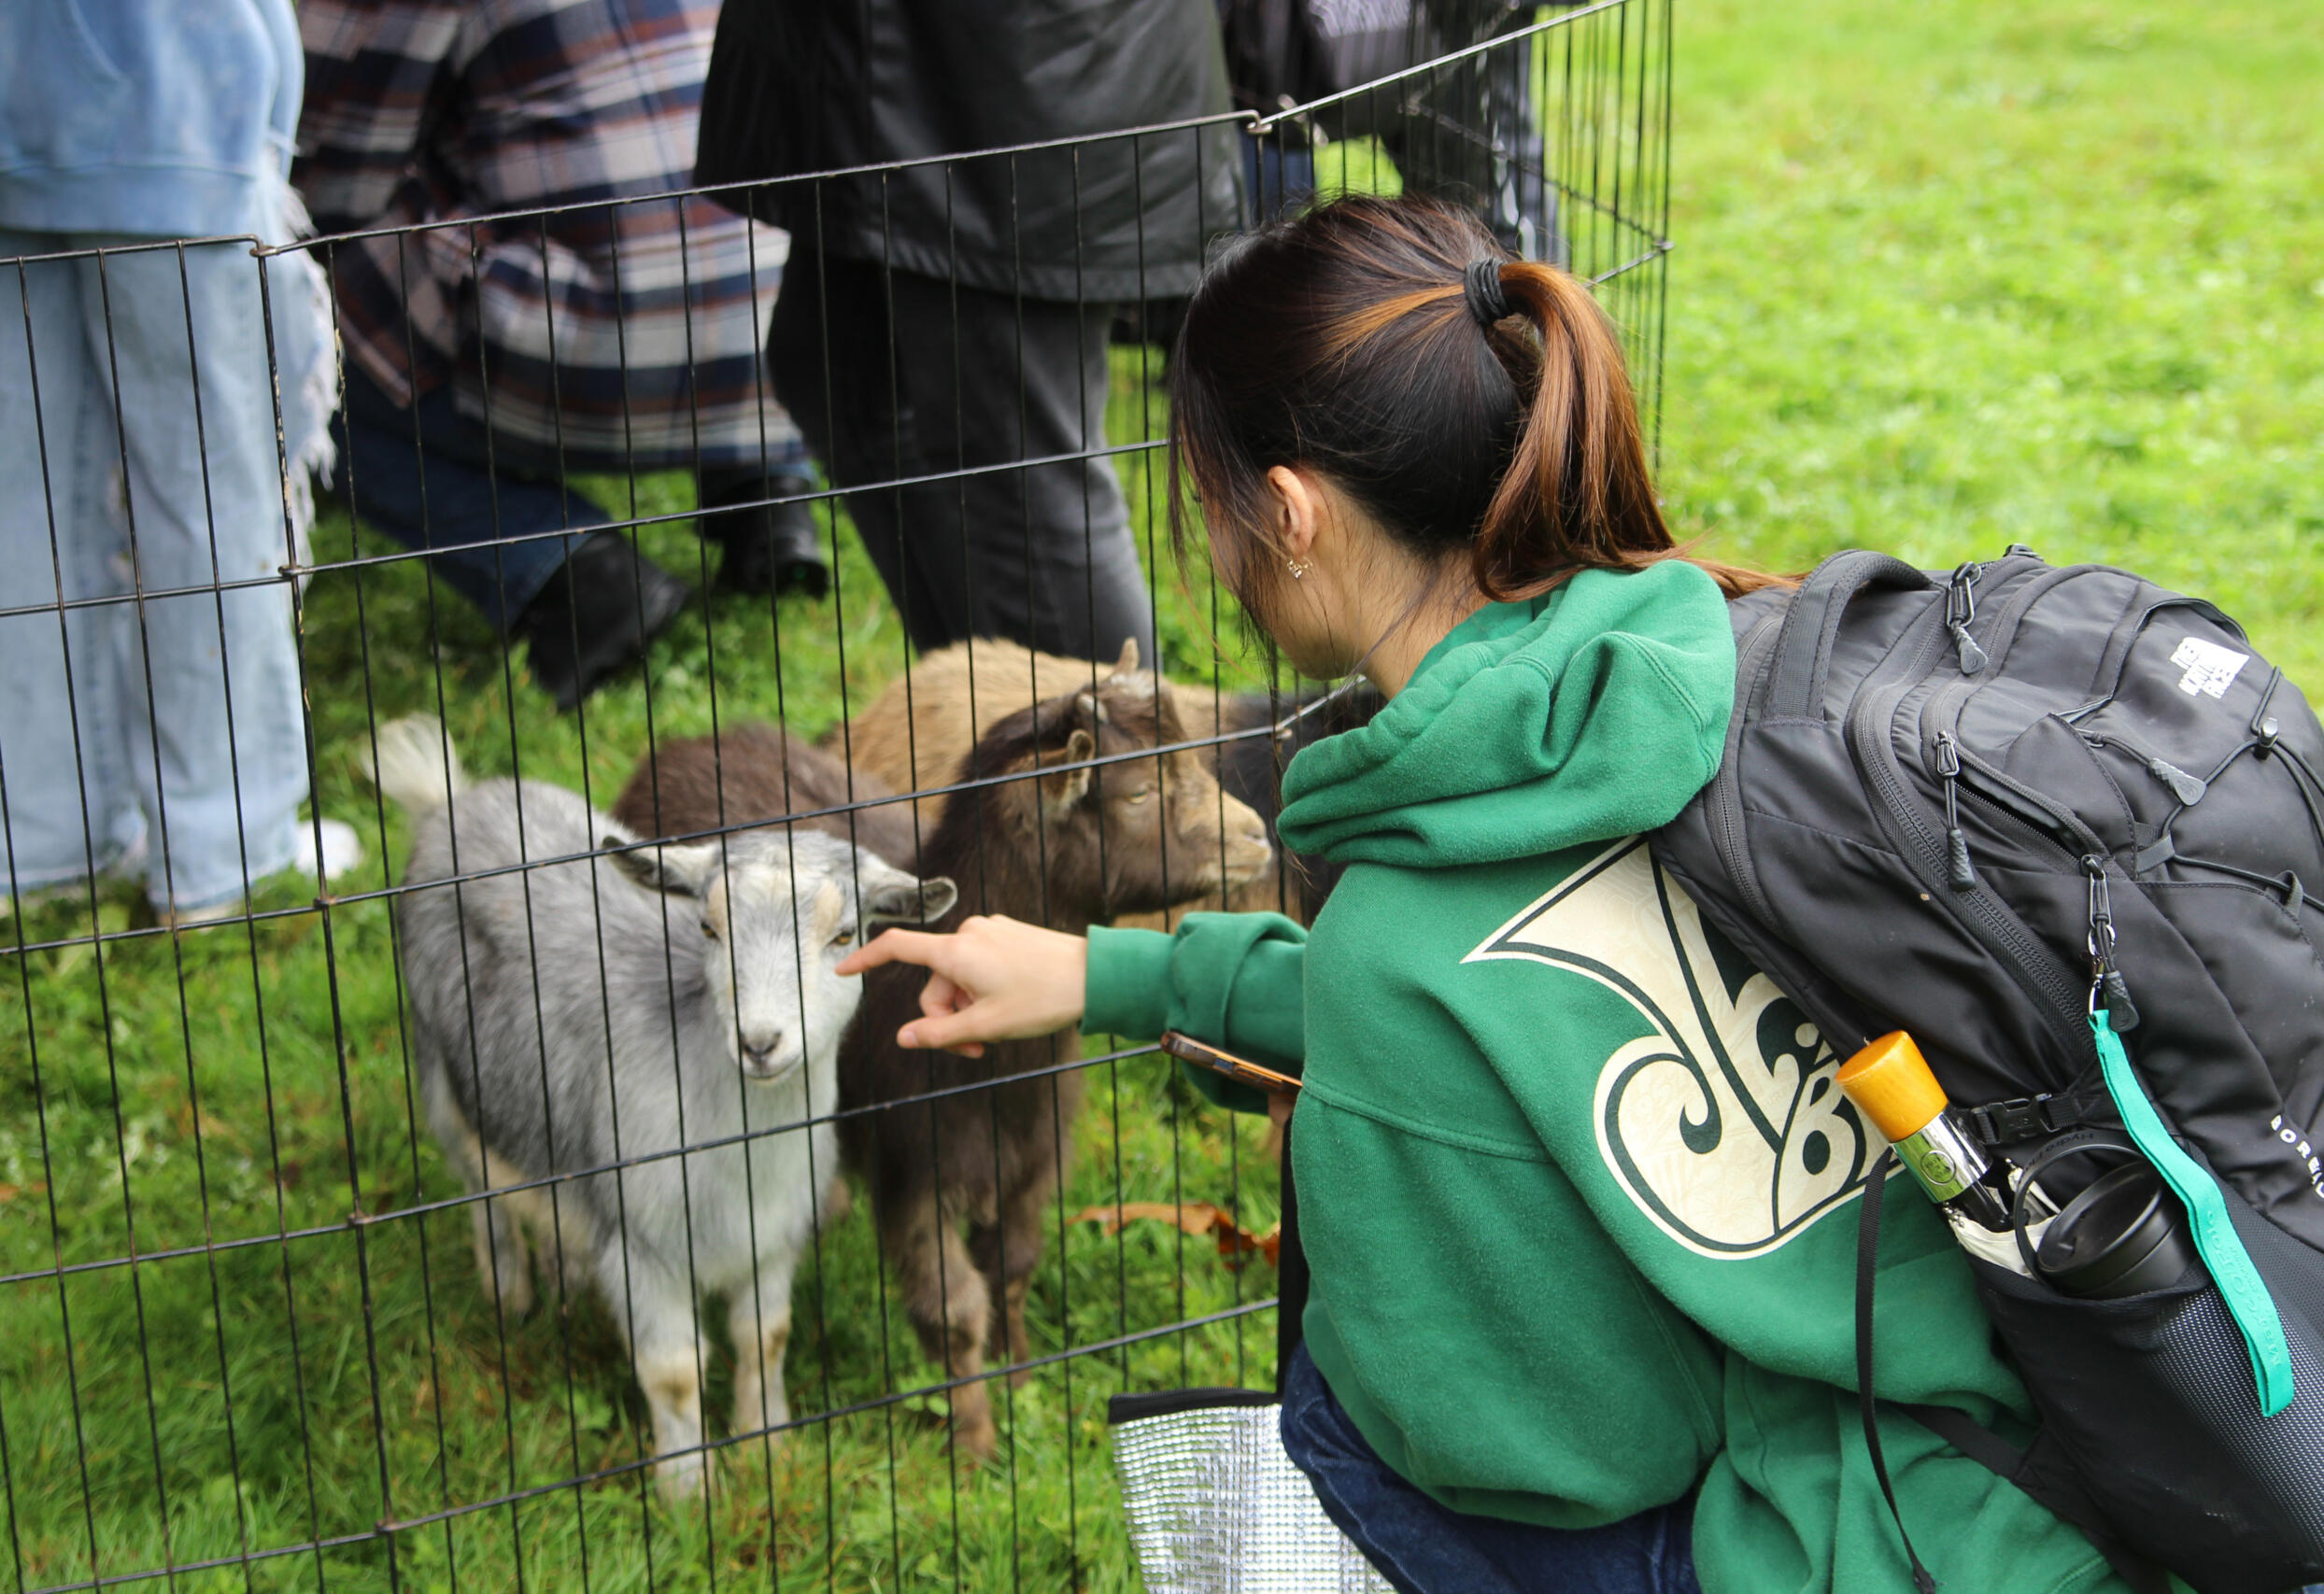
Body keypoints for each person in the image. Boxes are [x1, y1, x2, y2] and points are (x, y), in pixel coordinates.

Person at [837, 196, 2139, 1594]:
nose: (1207, 549)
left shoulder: (1397, 944)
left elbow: (1550, 1457)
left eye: (1204, 506)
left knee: (1340, 1424)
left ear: (1285, 514)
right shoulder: (1700, 677)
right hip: (2048, 1445)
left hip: (1814, 1547)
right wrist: (1117, 974)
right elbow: (1513, 1001)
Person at [0, 0, 358, 924]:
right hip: (171, 105)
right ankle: (224, 848)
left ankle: (30, 846)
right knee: (208, 486)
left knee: (11, 489)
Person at [294, 0, 820, 712]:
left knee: (296, 372)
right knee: (681, 178)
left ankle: (560, 566)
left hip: (603, 347)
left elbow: (333, 180)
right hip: (788, 321)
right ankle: (768, 499)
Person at [692, 0, 1244, 666]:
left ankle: (1120, 759)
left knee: (1022, 459)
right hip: (879, 65)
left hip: (1011, 70)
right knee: (837, 372)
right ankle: (993, 717)